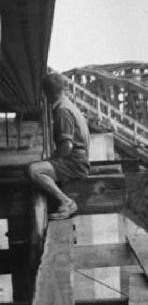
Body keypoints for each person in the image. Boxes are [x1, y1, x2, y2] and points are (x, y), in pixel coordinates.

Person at [28, 72, 90, 220]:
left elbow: (67, 147)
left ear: (46, 92)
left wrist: (51, 159)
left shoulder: (62, 111)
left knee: (34, 170)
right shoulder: (69, 105)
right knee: (41, 165)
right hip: (80, 160)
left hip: (75, 163)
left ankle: (67, 202)